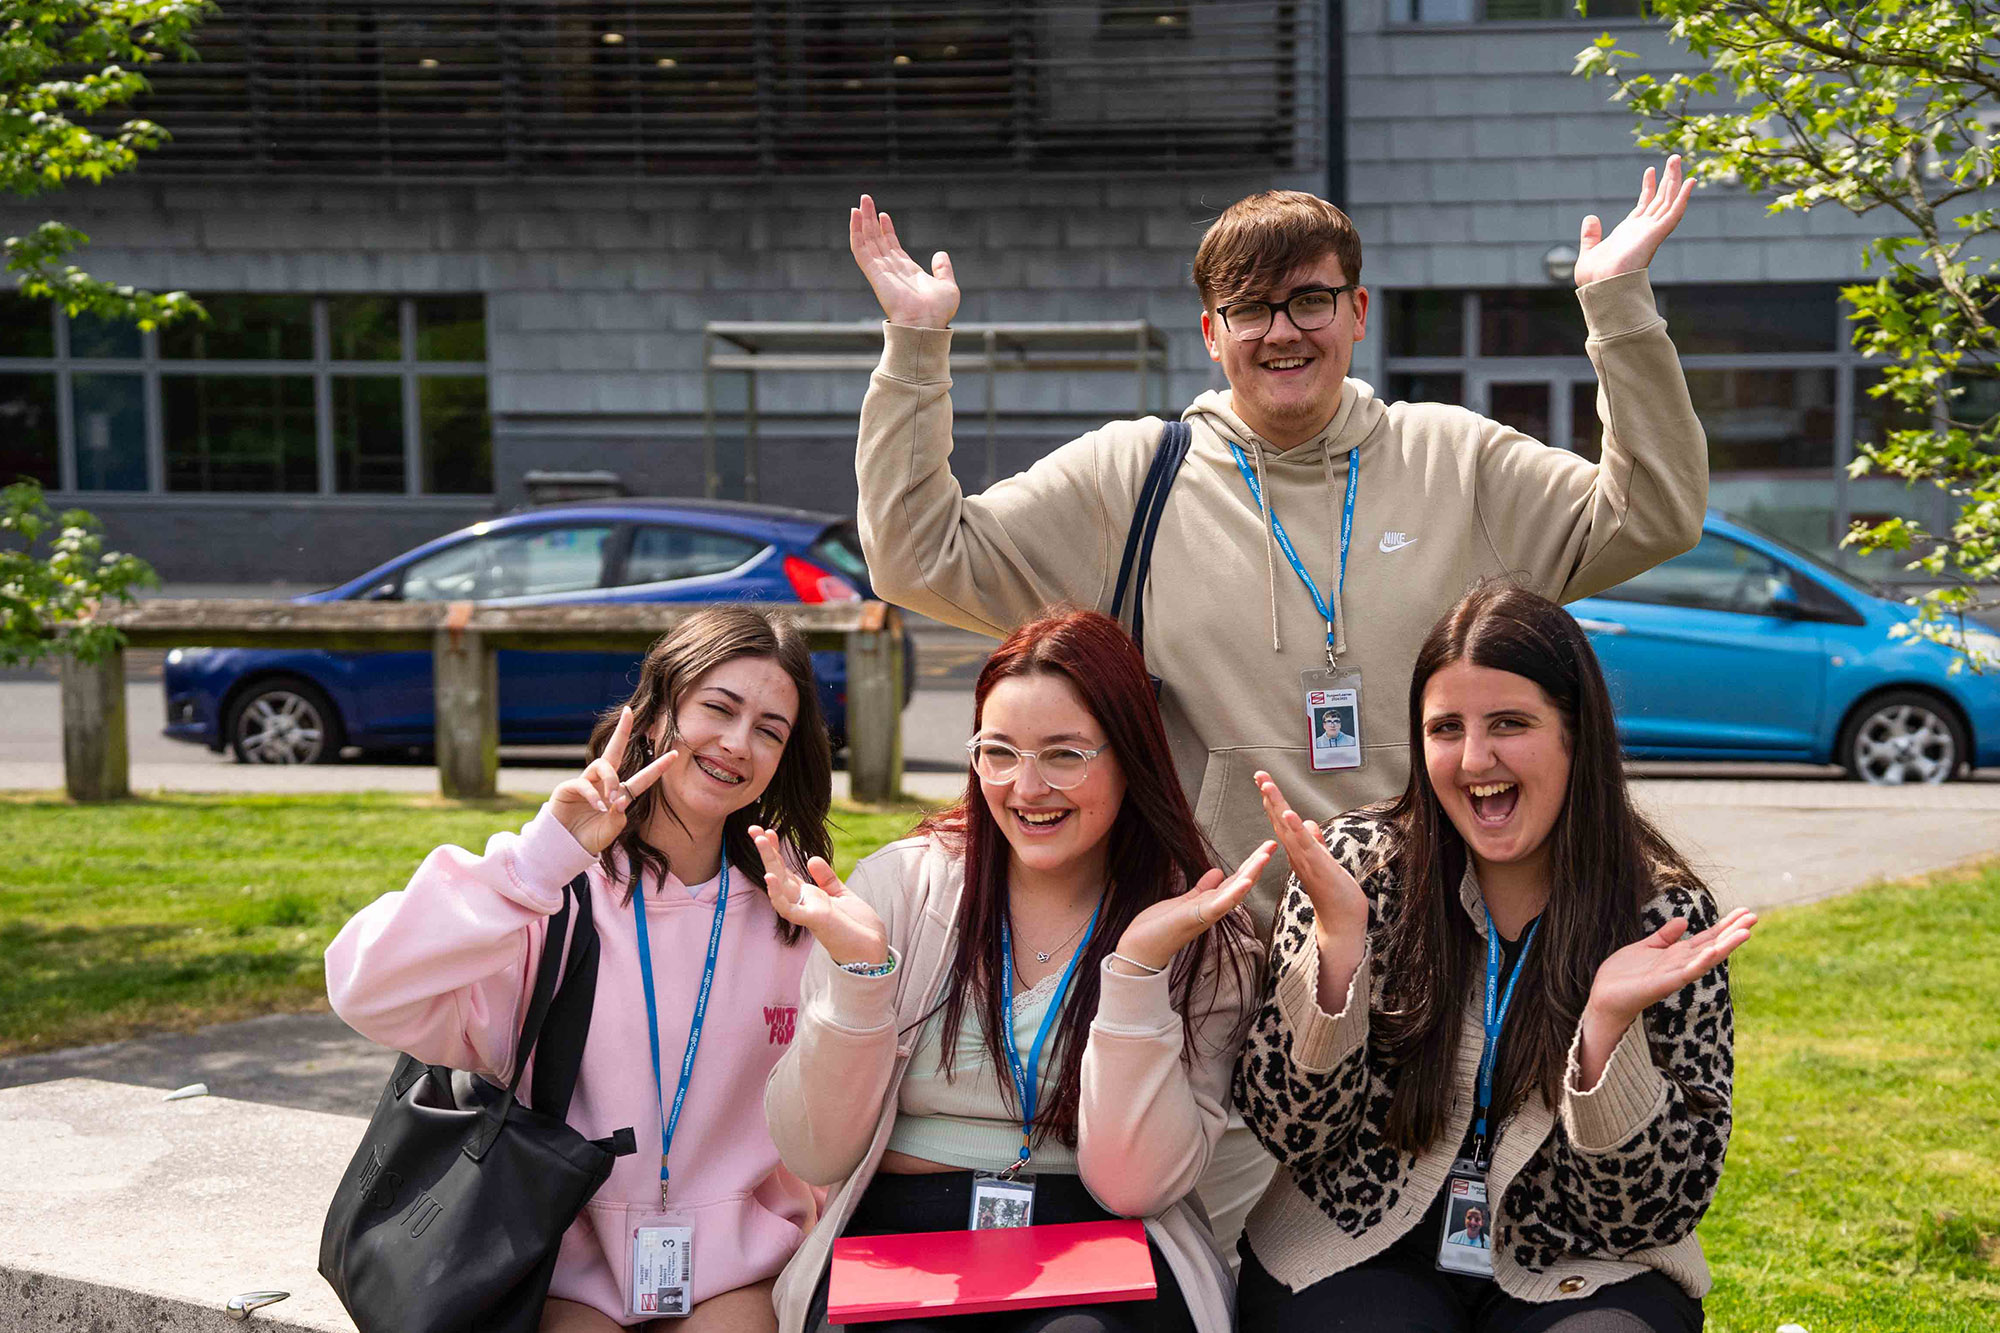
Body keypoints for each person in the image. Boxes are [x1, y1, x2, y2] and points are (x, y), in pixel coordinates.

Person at [846, 161, 1706, 928]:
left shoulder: (1457, 456)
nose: (1282, 330)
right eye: (1250, 308)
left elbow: (1652, 513)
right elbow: (916, 556)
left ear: (1357, 311)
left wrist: (1619, 309)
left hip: (1441, 952)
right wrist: (916, 349)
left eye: (1310, 300)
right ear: (1213, 332)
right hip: (1219, 949)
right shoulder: (1133, 474)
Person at [1232, 581, 1754, 1333]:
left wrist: (1606, 1033)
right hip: (1355, 1245)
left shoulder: (1664, 916)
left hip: (1578, 1260)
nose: (1476, 758)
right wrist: (1338, 951)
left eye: (1510, 723)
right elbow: (1291, 1133)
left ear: (1577, 735)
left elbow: (1652, 1211)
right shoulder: (1353, 870)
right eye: (1446, 728)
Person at [326, 607, 835, 1333]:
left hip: (737, 1274)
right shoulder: (552, 895)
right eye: (717, 708)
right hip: (554, 1261)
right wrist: (538, 859)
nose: (735, 743)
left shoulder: (792, 915)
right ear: (657, 712)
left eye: (769, 729)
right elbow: (363, 987)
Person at [761, 609, 1267, 1333]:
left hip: (1102, 1233)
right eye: (998, 752)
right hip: (903, 1233)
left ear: (1130, 754)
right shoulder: (902, 888)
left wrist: (1136, 970)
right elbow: (813, 1148)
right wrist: (860, 977)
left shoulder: (1191, 929)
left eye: (1064, 755)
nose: (1027, 787)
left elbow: (1134, 1184)